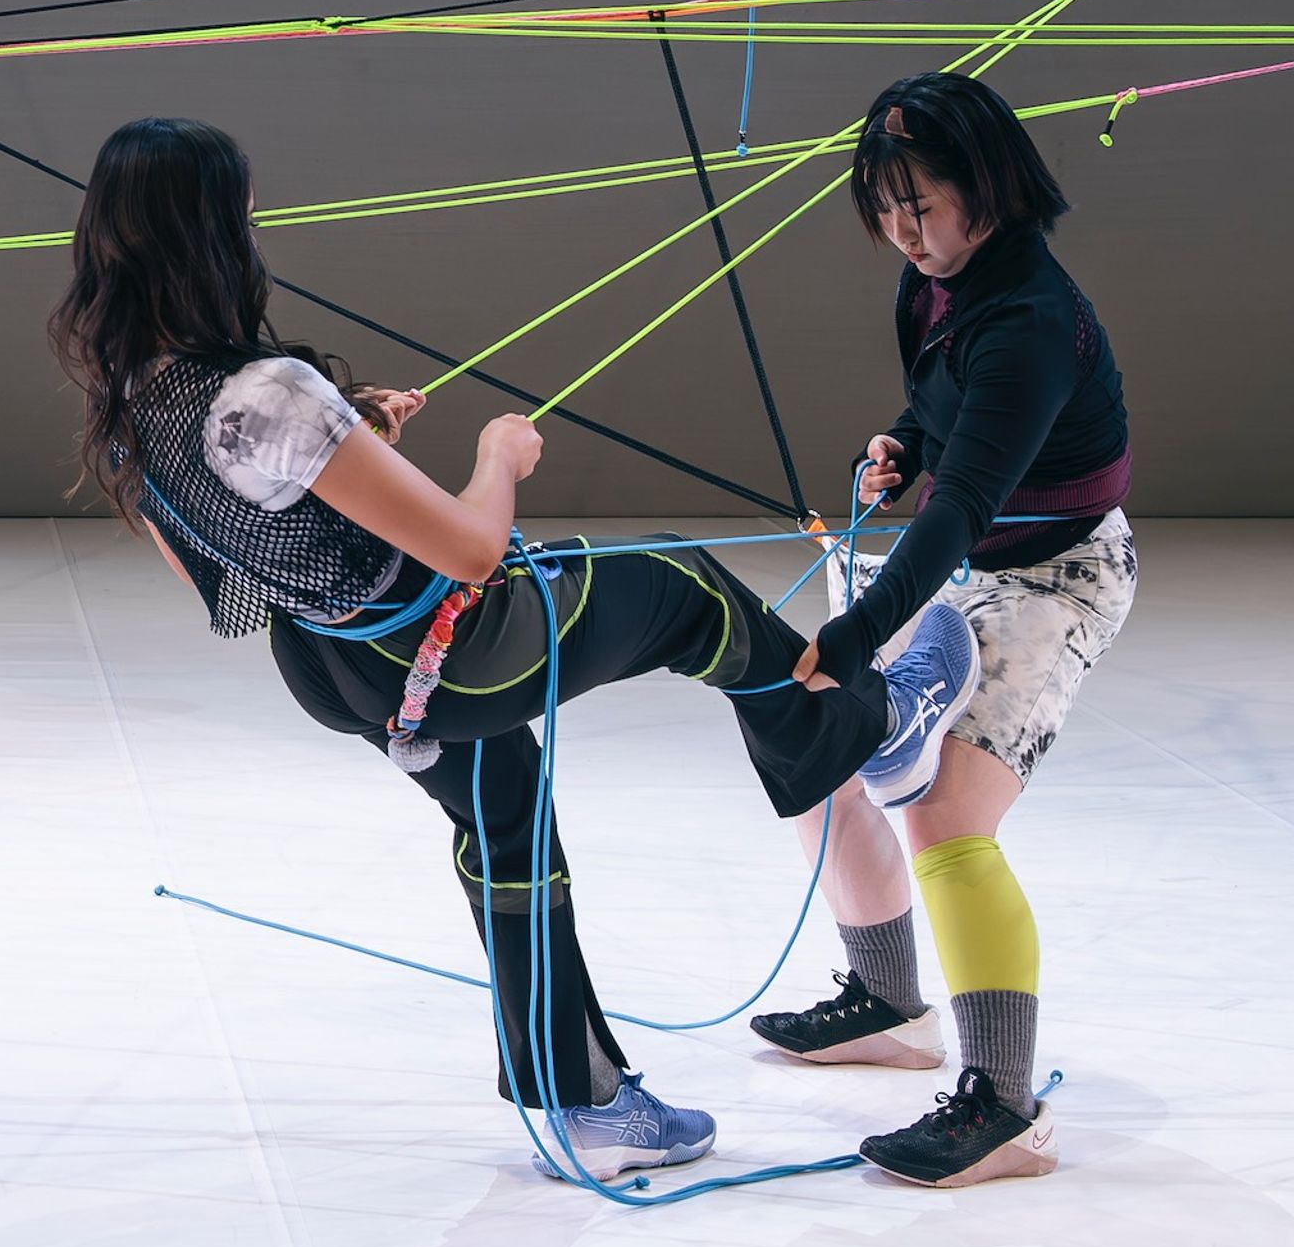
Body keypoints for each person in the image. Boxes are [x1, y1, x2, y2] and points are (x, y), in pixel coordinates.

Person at [50, 117, 985, 1181]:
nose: (256, 226)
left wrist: (346, 449)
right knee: (682, 589)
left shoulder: (135, 401)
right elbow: (468, 545)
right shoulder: (267, 394)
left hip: (340, 670)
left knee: (504, 826)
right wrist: (498, 454)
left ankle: (583, 1100)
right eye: (244, 211)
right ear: (207, 232)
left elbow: (223, 573)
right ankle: (866, 727)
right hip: (452, 647)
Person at [752, 70, 1135, 1190]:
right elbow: (938, 414)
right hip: (962, 561)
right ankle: (884, 1002)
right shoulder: (936, 288)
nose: (903, 232)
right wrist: (903, 444)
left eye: (922, 204)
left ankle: (1005, 1108)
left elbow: (968, 505)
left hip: (1055, 577)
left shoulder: (1029, 323)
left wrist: (862, 630)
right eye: (886, 207)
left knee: (951, 822)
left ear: (991, 189)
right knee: (822, 755)